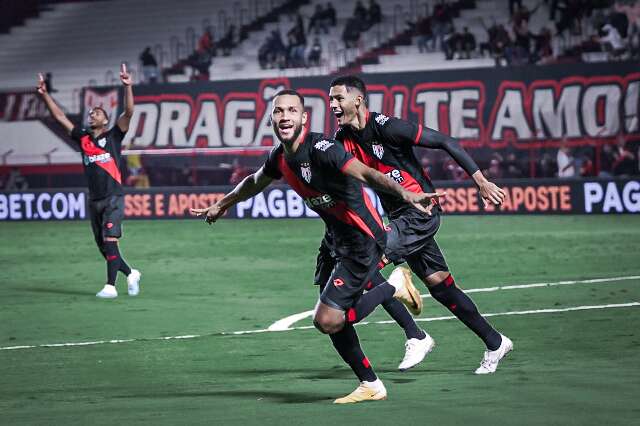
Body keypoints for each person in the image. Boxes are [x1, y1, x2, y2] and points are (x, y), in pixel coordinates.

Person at [192, 89, 443, 403]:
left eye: (292, 111)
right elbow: (254, 181)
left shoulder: (324, 149)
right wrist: (222, 204)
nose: (285, 117)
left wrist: (406, 194)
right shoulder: (280, 157)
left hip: (362, 240)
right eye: (279, 111)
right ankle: (370, 384)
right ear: (271, 118)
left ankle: (393, 285)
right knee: (331, 316)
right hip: (334, 240)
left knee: (327, 320)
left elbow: (366, 172)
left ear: (303, 118)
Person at [328, 75, 513, 375]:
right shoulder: (341, 140)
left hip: (420, 212)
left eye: (338, 98)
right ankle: (495, 342)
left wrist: (480, 181)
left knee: (365, 262)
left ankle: (415, 334)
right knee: (442, 288)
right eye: (331, 99)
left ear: (358, 100)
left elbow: (444, 141)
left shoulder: (388, 127)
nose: (333, 104)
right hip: (398, 219)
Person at [36, 65, 141, 299]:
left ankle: (110, 286)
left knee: (110, 239)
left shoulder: (114, 135)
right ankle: (131, 273)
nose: (92, 113)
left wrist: (128, 87)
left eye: (97, 112)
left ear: (105, 120)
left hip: (114, 197)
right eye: (91, 112)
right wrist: (44, 95)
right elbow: (60, 117)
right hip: (94, 200)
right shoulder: (83, 138)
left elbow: (129, 112)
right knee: (104, 247)